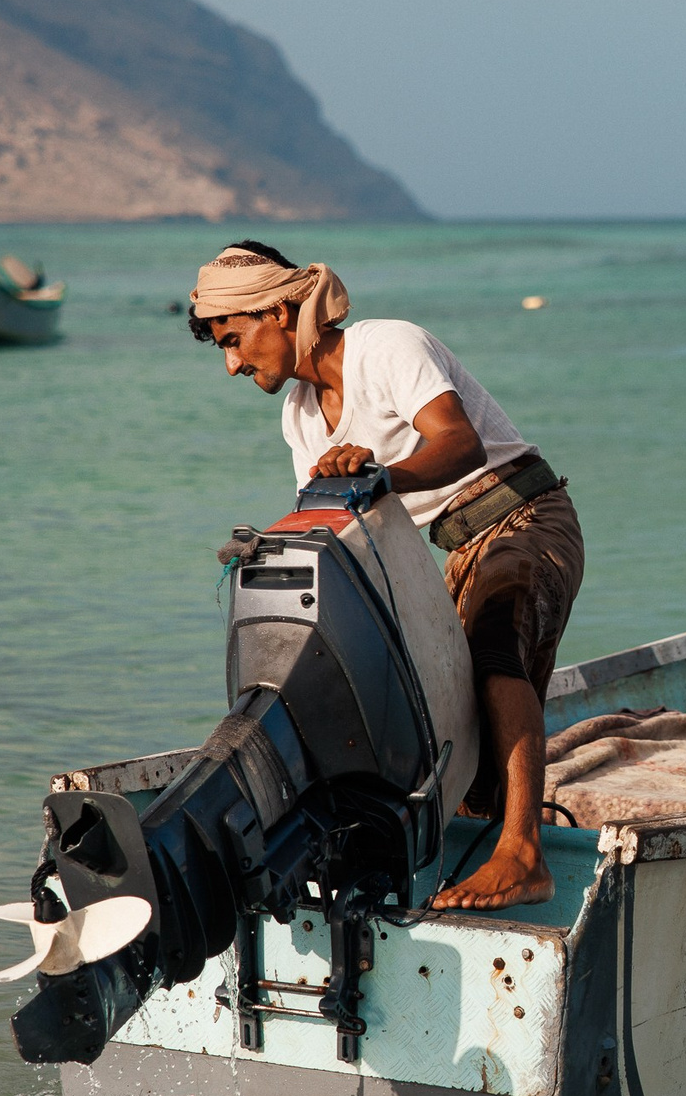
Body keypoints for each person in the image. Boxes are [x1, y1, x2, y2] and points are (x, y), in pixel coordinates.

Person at [187, 240, 582, 911]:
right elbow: (330, 527)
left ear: (281, 312)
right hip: (459, 552)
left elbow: (462, 443)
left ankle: (525, 853)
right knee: (454, 723)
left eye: (234, 339)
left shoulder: (388, 347)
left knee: (493, 655)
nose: (231, 365)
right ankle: (467, 848)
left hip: (527, 517)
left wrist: (378, 475)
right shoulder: (301, 417)